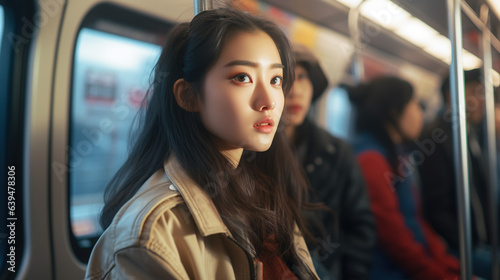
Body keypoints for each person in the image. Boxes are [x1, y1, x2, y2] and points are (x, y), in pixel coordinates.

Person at [84, 8, 320, 279]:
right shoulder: (152, 236)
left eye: (275, 79)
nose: (269, 100)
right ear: (188, 96)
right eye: (242, 77)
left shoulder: (263, 190)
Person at [347, 76, 461, 280]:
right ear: (394, 111)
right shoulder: (371, 161)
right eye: (415, 104)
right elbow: (394, 238)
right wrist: (437, 273)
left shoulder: (393, 156)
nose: (421, 114)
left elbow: (415, 221)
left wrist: (446, 264)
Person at [283, 44, 375, 280]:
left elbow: (359, 225)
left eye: (302, 77)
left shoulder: (336, 151)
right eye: (283, 78)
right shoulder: (247, 153)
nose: (295, 90)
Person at [417, 69, 499, 279]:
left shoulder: (473, 133)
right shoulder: (435, 139)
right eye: (475, 93)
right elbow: (436, 207)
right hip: (459, 245)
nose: (482, 101)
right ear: (451, 95)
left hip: (479, 239)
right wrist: (468, 243)